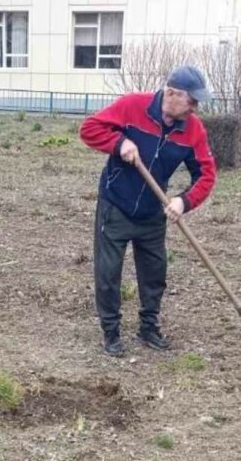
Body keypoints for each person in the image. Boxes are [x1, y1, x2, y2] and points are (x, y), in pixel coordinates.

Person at [80, 65, 217, 356]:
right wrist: (119, 143)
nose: (195, 107)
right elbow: (89, 129)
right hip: (116, 205)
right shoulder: (133, 106)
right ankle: (111, 332)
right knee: (108, 272)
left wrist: (183, 201)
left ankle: (148, 327)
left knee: (155, 272)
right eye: (191, 100)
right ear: (172, 93)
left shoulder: (193, 130)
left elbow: (206, 174)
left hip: (153, 211)